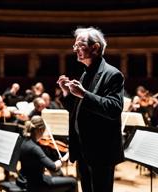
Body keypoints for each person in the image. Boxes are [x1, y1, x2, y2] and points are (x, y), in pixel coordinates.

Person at [57, 27, 124, 192]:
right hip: (83, 150)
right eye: (75, 46)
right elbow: (77, 109)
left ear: (95, 47)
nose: (76, 49)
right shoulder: (86, 74)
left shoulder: (113, 74)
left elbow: (114, 108)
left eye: (80, 45)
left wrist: (84, 94)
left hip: (101, 152)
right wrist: (66, 92)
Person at [19, 115, 76, 192]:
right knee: (73, 182)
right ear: (39, 130)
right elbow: (53, 167)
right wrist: (66, 157)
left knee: (59, 177)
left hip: (24, 179)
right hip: (36, 184)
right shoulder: (35, 148)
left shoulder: (24, 142)